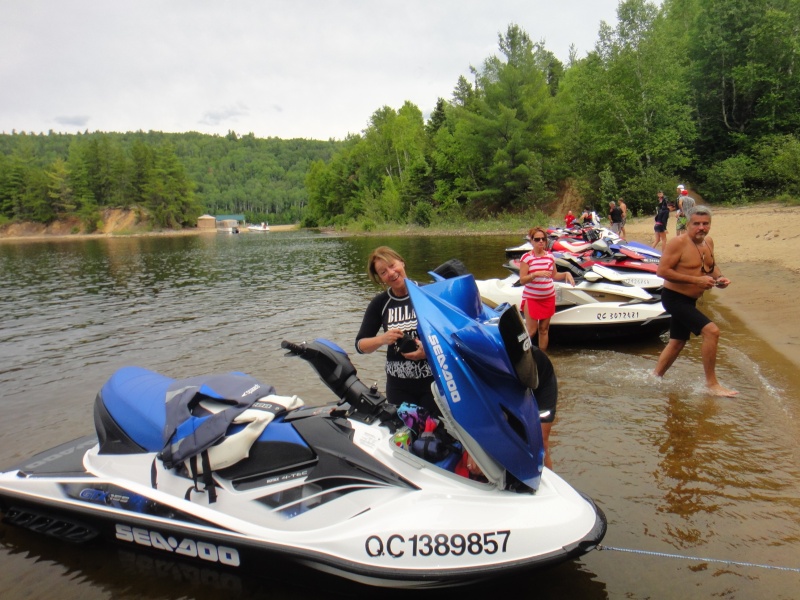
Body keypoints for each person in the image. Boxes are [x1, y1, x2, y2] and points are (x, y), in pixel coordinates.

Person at [653, 206, 738, 397]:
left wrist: (720, 278)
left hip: (690, 300)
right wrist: (696, 280)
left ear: (710, 225)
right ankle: (712, 384)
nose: (701, 227)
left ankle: (655, 377)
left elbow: (710, 266)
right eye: (696, 224)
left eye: (705, 224)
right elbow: (662, 271)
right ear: (688, 224)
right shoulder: (678, 243)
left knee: (677, 342)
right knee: (712, 331)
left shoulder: (708, 242)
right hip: (674, 298)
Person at [356, 246, 438, 414]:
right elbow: (360, 346)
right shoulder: (380, 303)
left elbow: (451, 337)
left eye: (392, 265)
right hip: (399, 388)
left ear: (402, 262)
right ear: (380, 278)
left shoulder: (427, 293)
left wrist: (428, 351)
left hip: (434, 383)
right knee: (409, 435)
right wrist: (382, 339)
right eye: (383, 272)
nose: (391, 273)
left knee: (436, 434)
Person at [518, 227, 575, 351]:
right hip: (532, 298)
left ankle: (542, 357)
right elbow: (522, 280)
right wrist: (535, 274)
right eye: (537, 239)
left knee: (544, 329)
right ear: (531, 241)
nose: (540, 242)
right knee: (531, 330)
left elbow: (554, 275)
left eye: (543, 239)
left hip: (548, 297)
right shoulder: (526, 258)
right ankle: (520, 354)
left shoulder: (550, 256)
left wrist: (566, 274)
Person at [531, 346, 558, 470]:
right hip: (511, 382)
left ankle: (550, 486)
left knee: (541, 443)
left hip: (542, 380)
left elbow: (530, 331)